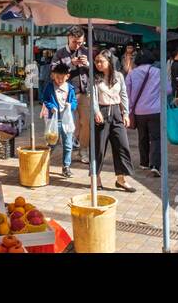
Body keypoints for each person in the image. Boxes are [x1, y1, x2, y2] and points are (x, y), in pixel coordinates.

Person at [90, 49, 135, 191]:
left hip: (116, 112)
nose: (98, 64)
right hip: (101, 113)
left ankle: (121, 179)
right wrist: (96, 112)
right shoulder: (94, 77)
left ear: (109, 62)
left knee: (122, 145)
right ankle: (95, 178)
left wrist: (126, 113)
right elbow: (93, 98)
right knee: (99, 148)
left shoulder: (119, 76)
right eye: (96, 61)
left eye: (101, 61)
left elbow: (124, 95)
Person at [53, 28, 93, 164]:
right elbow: (53, 71)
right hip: (65, 94)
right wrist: (70, 64)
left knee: (85, 123)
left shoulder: (86, 52)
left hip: (84, 93)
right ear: (68, 38)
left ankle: (84, 151)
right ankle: (67, 153)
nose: (77, 45)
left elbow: (96, 71)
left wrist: (88, 64)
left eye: (80, 42)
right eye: (75, 42)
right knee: (66, 124)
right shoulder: (60, 53)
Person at [125, 50, 164, 176]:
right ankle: (155, 165)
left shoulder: (132, 74)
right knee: (156, 138)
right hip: (156, 111)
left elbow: (127, 93)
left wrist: (129, 110)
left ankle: (144, 162)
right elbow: (168, 89)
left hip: (139, 111)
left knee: (142, 137)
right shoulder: (158, 72)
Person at [40, 61, 78, 178]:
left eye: (62, 77)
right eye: (57, 77)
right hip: (54, 120)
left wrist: (70, 106)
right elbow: (44, 99)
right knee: (52, 144)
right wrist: (51, 107)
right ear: (53, 75)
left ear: (67, 76)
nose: (60, 80)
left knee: (68, 144)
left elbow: (74, 102)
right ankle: (43, 164)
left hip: (67, 121)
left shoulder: (70, 88)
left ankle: (66, 167)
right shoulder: (49, 87)